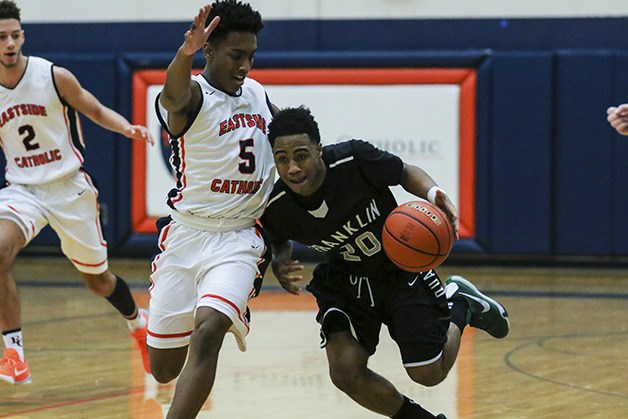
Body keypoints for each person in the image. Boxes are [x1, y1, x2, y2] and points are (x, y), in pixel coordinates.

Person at [260, 106, 510, 419]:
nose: (293, 167)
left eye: (301, 155)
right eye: (282, 159)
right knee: (345, 372)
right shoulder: (276, 204)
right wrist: (280, 261)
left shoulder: (354, 160)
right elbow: (276, 236)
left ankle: (460, 304)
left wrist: (433, 193)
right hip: (346, 282)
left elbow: (404, 172)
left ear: (319, 150)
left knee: (428, 374)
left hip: (398, 271)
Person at [0, 0, 154, 385]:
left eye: (15, 35)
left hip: (68, 187)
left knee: (98, 280)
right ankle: (14, 354)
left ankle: (138, 323)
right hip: (23, 190)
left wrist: (127, 128)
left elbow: (97, 110)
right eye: (1, 37)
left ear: (23, 36)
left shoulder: (53, 76)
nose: (9, 43)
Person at [148, 2, 276, 417]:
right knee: (163, 368)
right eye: (236, 56)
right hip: (186, 236)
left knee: (209, 331)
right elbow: (172, 95)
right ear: (210, 51)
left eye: (251, 56)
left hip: (239, 237)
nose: (245, 65)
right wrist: (183, 54)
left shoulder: (258, 94)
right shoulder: (195, 95)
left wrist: (285, 247)